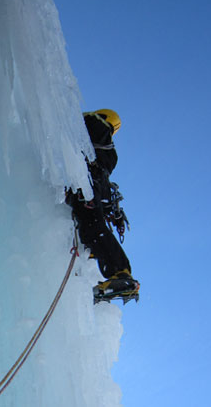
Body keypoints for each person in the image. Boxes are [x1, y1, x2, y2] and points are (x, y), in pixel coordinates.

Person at [65, 109, 139, 303]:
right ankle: (115, 270)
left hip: (84, 183)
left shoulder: (94, 124)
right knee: (91, 227)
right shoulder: (109, 153)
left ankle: (119, 274)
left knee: (91, 226)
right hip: (90, 186)